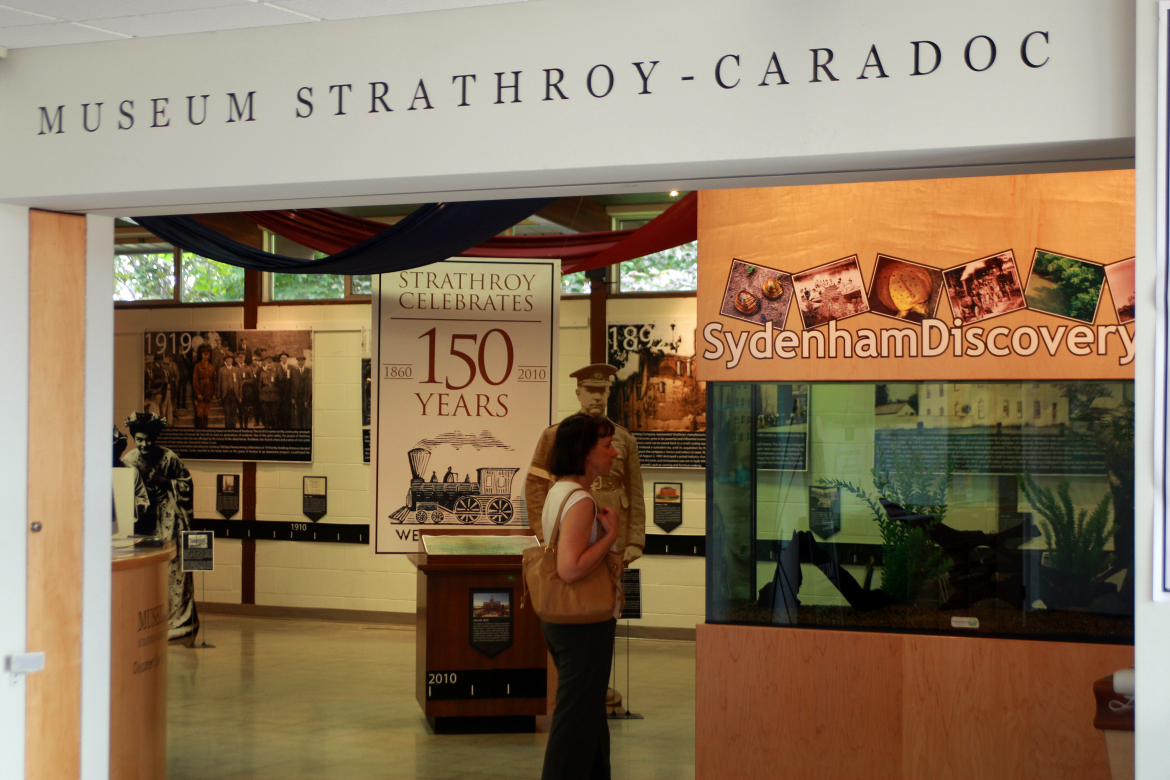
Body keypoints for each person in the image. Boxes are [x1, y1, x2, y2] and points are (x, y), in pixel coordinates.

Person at [539, 412, 620, 780]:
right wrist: (609, 536)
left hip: (563, 624)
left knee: (587, 716)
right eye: (606, 445)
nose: (614, 453)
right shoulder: (580, 500)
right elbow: (570, 568)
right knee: (574, 722)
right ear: (585, 452)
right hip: (583, 626)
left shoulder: (558, 491)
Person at [121, 412, 199, 642]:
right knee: (145, 570)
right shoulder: (129, 461)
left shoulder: (168, 458)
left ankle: (177, 620)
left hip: (169, 519)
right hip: (142, 523)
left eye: (148, 439)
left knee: (173, 567)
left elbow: (187, 484)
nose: (144, 444)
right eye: (139, 439)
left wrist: (166, 482)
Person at [191, 345, 217, 429]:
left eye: (207, 354)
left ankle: (205, 430)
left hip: (209, 393)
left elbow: (214, 381)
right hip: (200, 393)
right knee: (199, 413)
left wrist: (214, 393)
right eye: (204, 354)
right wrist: (197, 393)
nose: (206, 356)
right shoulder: (197, 366)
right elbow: (195, 381)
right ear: (201, 355)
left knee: (206, 413)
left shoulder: (211, 367)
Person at [218, 353, 241, 429]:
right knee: (227, 415)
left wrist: (240, 396)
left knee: (233, 415)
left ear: (232, 360)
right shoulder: (221, 370)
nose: (229, 360)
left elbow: (239, 383)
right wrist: (219, 396)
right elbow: (219, 383)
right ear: (225, 361)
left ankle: (233, 430)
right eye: (227, 359)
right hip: (225, 395)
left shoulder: (236, 370)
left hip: (234, 395)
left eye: (230, 359)